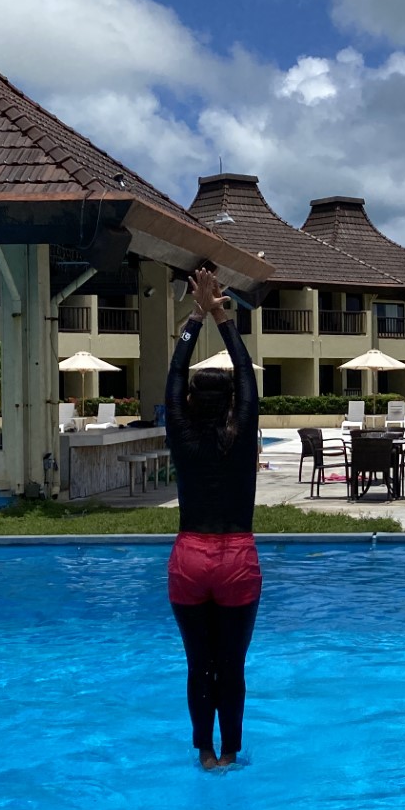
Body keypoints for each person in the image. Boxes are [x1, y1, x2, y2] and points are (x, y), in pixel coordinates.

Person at [165, 267, 261, 770]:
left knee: (198, 664)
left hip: (189, 556)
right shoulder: (240, 436)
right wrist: (222, 317)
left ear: (188, 403)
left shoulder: (181, 433)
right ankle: (229, 751)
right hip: (236, 557)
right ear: (231, 405)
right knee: (232, 665)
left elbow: (174, 375)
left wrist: (196, 317)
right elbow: (246, 375)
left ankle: (203, 751)